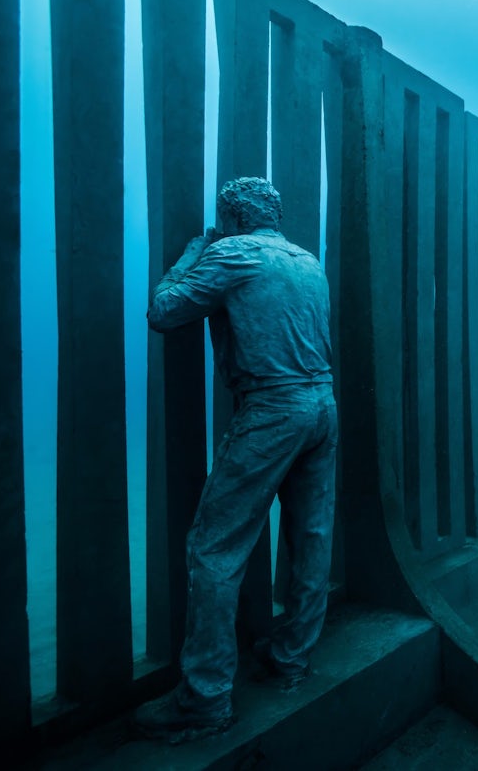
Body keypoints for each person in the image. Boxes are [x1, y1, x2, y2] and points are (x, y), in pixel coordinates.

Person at [132, 177, 338, 744]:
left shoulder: (232, 251)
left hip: (273, 408)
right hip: (323, 404)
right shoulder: (307, 259)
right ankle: (291, 660)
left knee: (213, 547)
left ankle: (204, 699)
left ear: (231, 215)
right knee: (312, 537)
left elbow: (164, 310)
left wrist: (192, 252)